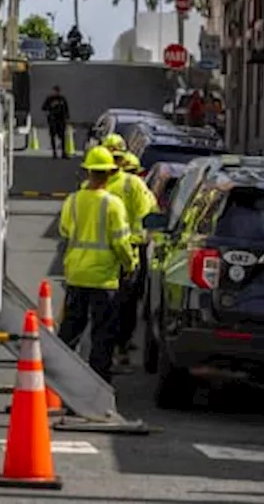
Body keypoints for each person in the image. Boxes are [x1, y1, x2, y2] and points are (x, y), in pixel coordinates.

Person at [58, 146, 136, 383]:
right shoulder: (113, 205)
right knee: (103, 334)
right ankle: (97, 382)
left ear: (88, 172)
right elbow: (121, 243)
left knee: (71, 329)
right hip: (104, 279)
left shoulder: (72, 201)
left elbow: (64, 230)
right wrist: (130, 264)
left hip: (76, 274)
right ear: (110, 173)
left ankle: (59, 378)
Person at [113, 151, 158, 368]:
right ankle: (122, 345)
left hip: (111, 249)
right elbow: (150, 214)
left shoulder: (112, 185)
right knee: (129, 301)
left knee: (112, 300)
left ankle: (112, 345)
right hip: (134, 248)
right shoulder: (140, 188)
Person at [41, 85, 71, 158]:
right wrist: (49, 112)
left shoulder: (62, 99)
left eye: (57, 91)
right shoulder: (49, 99)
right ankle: (54, 153)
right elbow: (43, 108)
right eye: (54, 91)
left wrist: (67, 117)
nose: (55, 93)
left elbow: (66, 109)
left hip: (61, 120)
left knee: (62, 137)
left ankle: (63, 152)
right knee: (53, 136)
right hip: (53, 120)